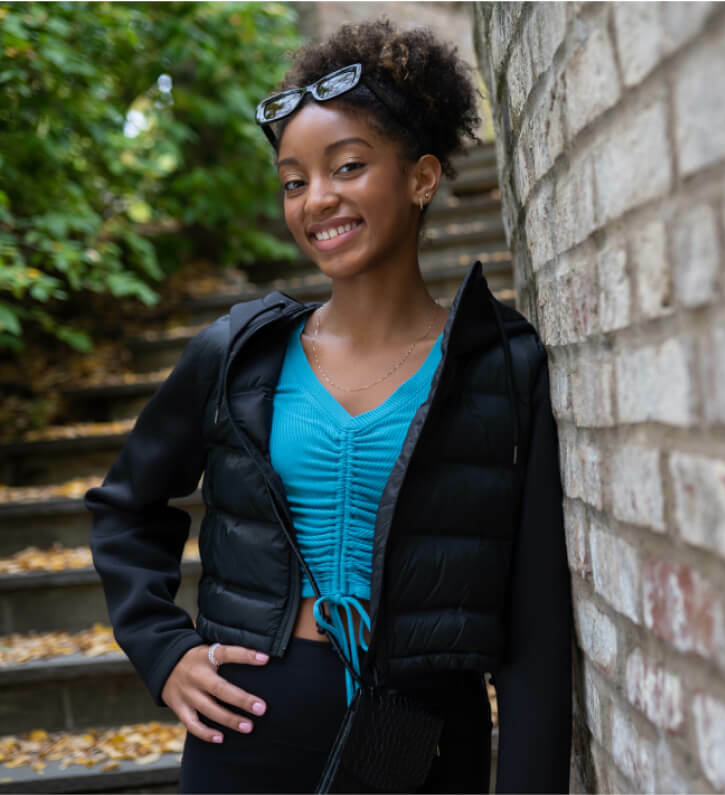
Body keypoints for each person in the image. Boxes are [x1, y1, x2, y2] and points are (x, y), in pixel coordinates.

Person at [85, 18, 572, 795]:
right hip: (244, 735)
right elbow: (124, 507)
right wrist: (164, 649)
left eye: (347, 166)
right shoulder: (239, 354)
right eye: (293, 179)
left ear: (421, 177)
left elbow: (536, 629)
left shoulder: (500, 367)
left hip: (423, 745)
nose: (317, 199)